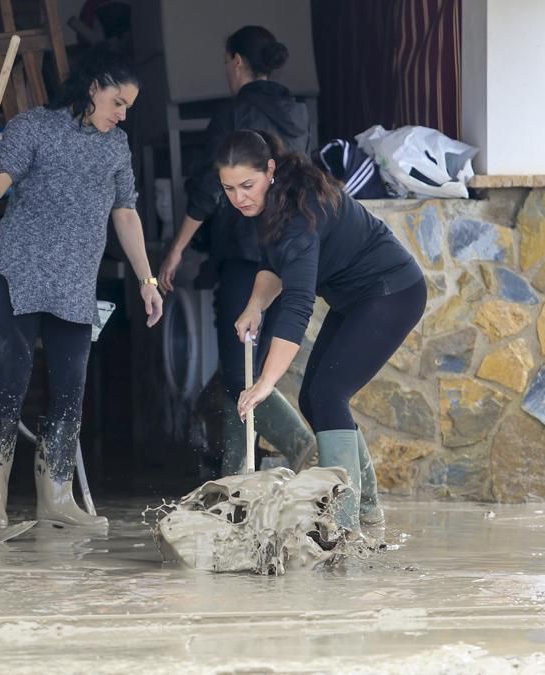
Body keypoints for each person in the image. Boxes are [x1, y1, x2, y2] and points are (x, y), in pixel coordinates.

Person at [0, 49, 163, 529]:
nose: (121, 114)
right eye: (117, 102)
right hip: (20, 270)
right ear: (94, 88)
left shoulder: (116, 147)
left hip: (75, 279)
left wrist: (147, 280)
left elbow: (126, 212)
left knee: (71, 388)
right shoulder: (34, 126)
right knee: (13, 377)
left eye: (128, 108)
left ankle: (56, 495)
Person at [219, 130, 427, 533]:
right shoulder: (271, 204)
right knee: (315, 400)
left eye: (247, 185)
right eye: (229, 188)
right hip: (356, 298)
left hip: (393, 292)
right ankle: (366, 511)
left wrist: (265, 382)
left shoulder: (299, 213)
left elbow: (298, 305)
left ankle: (343, 524)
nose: (239, 197)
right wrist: (255, 305)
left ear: (271, 170)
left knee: (329, 393)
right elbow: (273, 264)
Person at [158, 25, 315, 476]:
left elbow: (209, 191)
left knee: (236, 370)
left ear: (236, 62)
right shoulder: (296, 113)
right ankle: (236, 474)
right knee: (250, 367)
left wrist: (176, 250)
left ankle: (300, 448)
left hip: (246, 256)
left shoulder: (235, 114)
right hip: (284, 253)